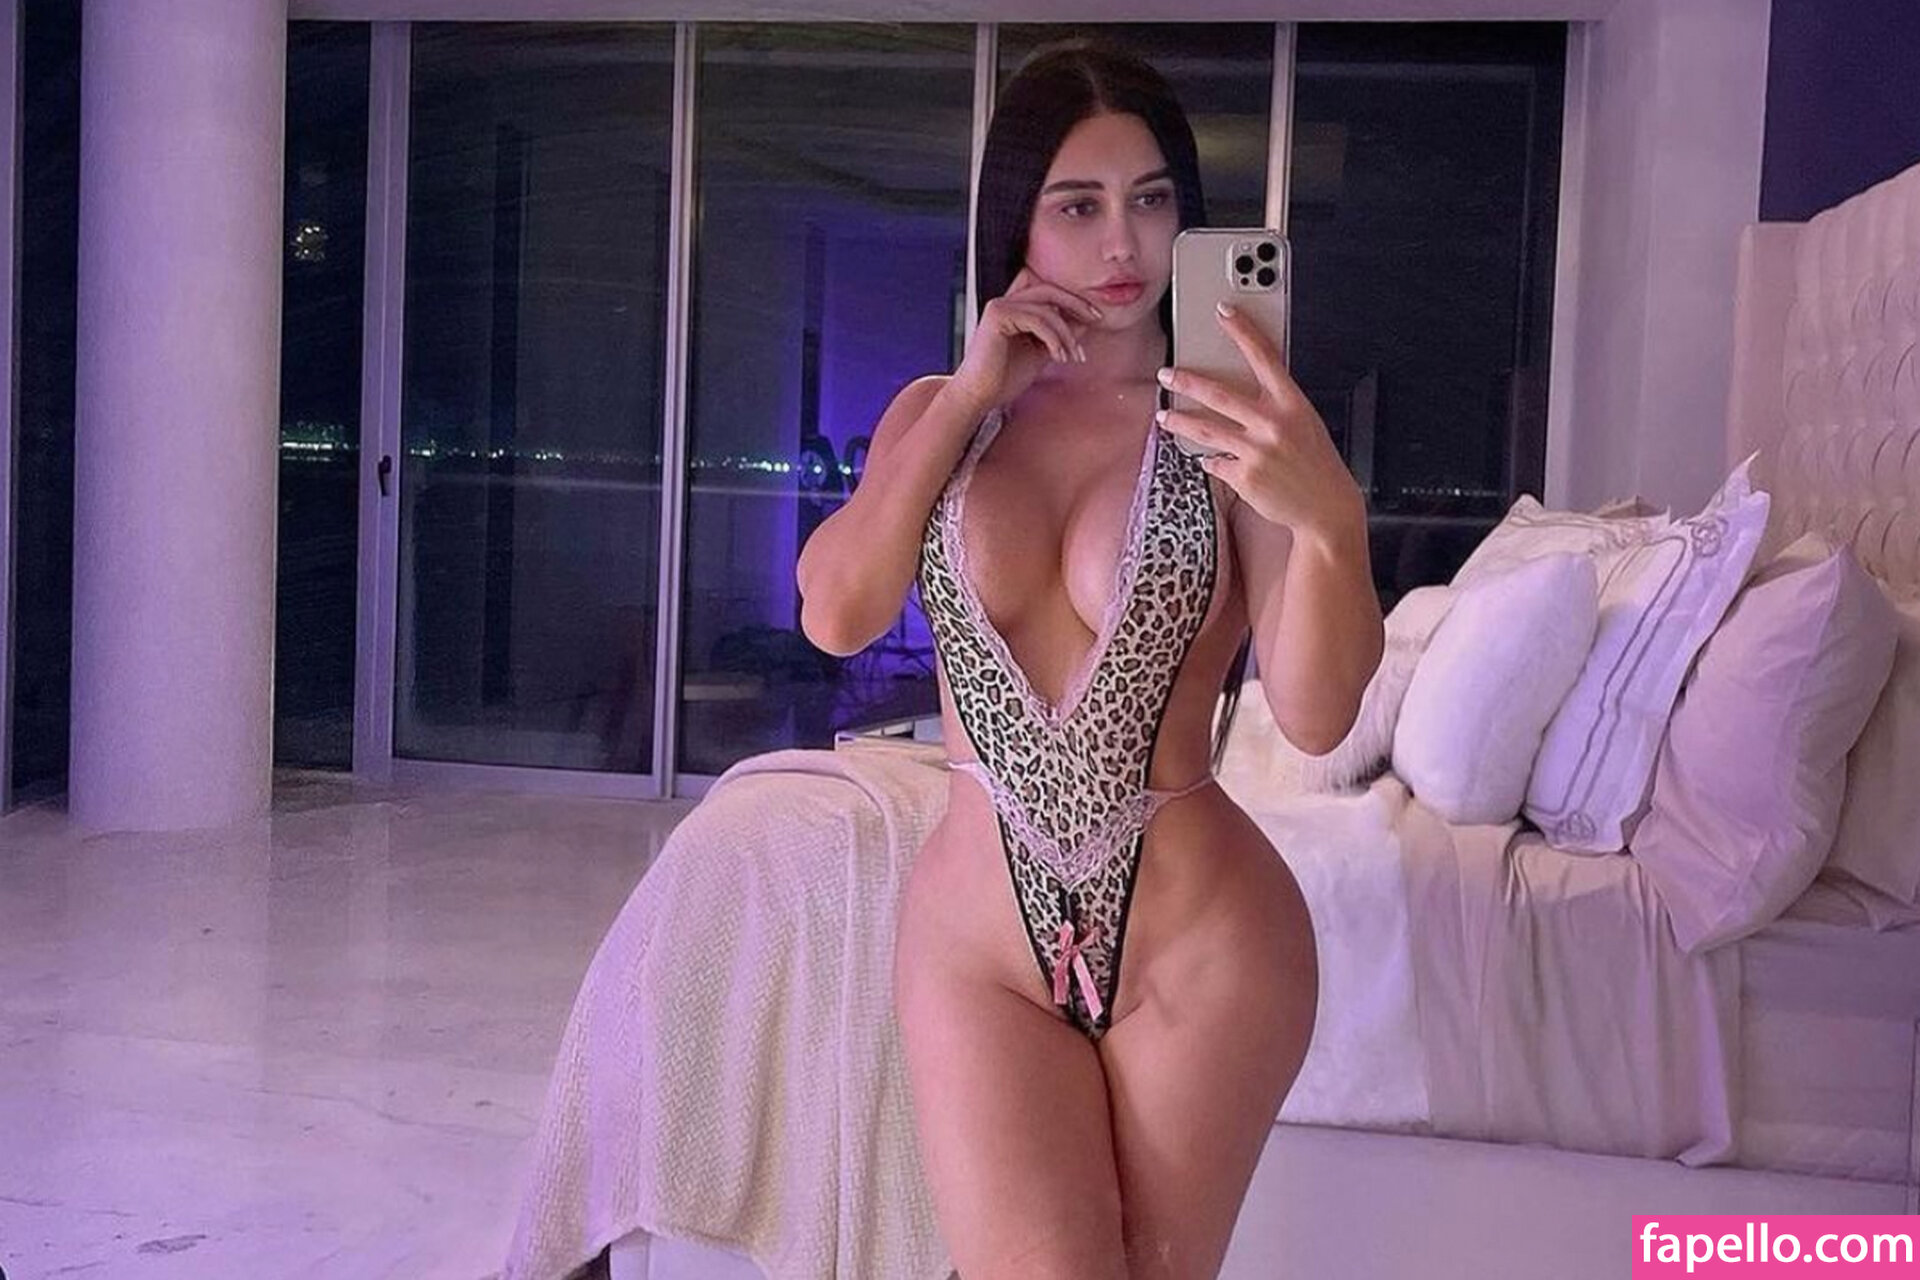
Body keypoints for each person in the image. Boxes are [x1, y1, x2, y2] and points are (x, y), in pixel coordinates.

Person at [795, 37, 1383, 1280]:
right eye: (1078, 205)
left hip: (1203, 947)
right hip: (979, 956)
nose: (1124, 244)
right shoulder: (940, 413)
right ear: (1017, 222)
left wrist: (1329, 519)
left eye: (1152, 199)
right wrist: (970, 391)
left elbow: (1319, 712)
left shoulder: (1235, 427)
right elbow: (837, 612)